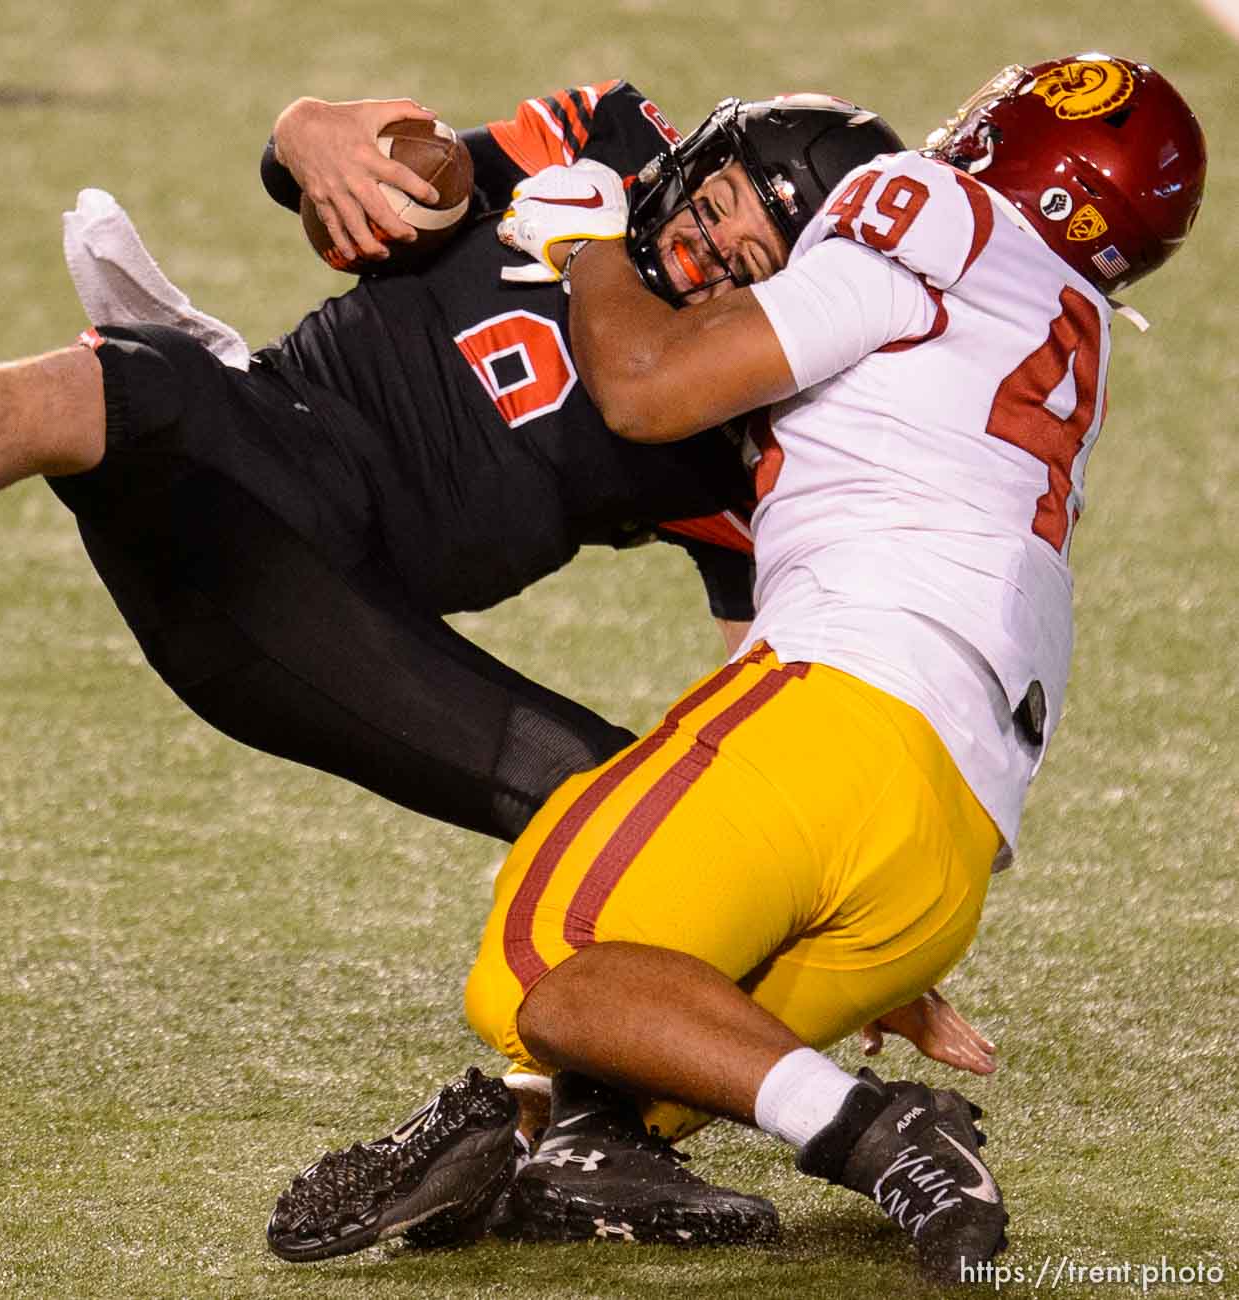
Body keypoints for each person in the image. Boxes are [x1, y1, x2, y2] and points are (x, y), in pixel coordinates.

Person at [264, 54, 1206, 1282]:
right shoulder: (1058, 317)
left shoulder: (937, 208)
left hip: (847, 699)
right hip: (952, 848)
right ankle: (561, 1142)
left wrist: (593, 242)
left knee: (543, 962)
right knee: (627, 1071)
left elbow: (649, 388)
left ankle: (875, 1130)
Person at [0, 82, 900, 847]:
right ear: (698, 157)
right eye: (724, 209)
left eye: (751, 263)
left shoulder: (736, 427)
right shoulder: (598, 146)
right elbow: (400, 172)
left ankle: (655, 1112)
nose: (708, 257)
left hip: (341, 617)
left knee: (648, 826)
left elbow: (767, 657)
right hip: (260, 454)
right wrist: (313, 131)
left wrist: (793, 844)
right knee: (136, 378)